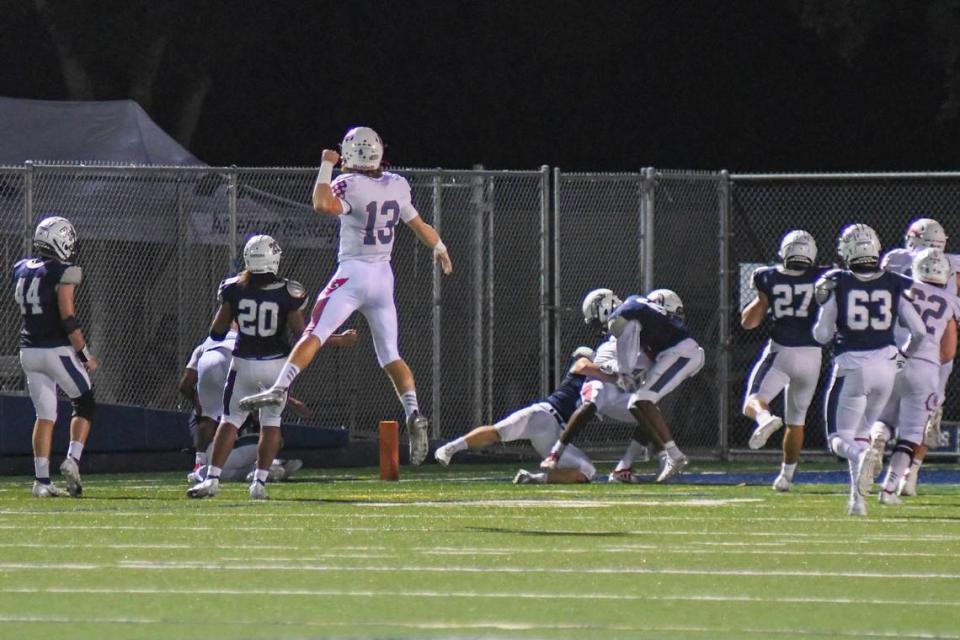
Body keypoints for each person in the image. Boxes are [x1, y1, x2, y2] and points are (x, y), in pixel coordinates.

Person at [239, 127, 453, 466]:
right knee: (390, 355)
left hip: (353, 274)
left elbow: (322, 203)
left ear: (350, 155)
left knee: (314, 333)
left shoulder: (348, 184)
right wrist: (439, 247)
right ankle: (413, 412)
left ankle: (280, 388)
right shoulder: (397, 185)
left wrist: (325, 165)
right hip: (384, 277)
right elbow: (419, 225)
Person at [813, 223, 926, 517]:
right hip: (887, 368)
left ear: (847, 250)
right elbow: (920, 332)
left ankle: (861, 455)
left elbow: (822, 335)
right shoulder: (894, 282)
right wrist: (900, 360)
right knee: (862, 432)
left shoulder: (838, 282)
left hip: (851, 366)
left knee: (839, 438)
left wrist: (824, 307)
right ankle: (857, 502)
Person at [187, 235, 307, 500]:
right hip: (276, 366)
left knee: (230, 421)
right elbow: (302, 334)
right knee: (271, 422)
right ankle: (259, 483)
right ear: (273, 259)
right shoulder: (288, 292)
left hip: (243, 364)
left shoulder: (233, 288)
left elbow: (217, 332)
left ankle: (213, 479)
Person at [542, 288, 703, 483]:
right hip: (666, 358)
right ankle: (641, 463)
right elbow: (624, 364)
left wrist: (614, 370)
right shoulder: (635, 313)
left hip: (677, 354)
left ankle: (670, 456)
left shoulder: (625, 316)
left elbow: (626, 365)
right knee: (641, 404)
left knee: (644, 402)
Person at [13, 216, 98, 498]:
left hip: (28, 350)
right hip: (55, 350)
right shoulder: (63, 272)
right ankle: (72, 459)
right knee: (84, 400)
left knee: (45, 415)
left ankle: (41, 481)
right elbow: (68, 318)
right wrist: (85, 354)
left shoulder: (21, 268)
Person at [869, 248, 959, 505]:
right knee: (911, 434)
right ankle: (888, 489)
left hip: (894, 361)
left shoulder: (898, 286)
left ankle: (879, 436)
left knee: (884, 416)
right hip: (926, 368)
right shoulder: (951, 301)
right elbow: (948, 351)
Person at [740, 230, 827, 491]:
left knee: (752, 401)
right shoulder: (824, 276)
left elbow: (748, 322)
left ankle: (764, 418)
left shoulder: (767, 276)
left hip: (782, 351)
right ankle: (786, 476)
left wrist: (762, 299)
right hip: (813, 356)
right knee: (796, 419)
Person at [434, 347, 598, 484]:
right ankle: (450, 448)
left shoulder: (599, 387)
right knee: (498, 431)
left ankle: (533, 478)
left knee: (587, 471)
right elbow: (584, 365)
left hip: (555, 434)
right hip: (544, 414)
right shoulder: (583, 366)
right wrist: (609, 370)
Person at [179, 327, 237, 482]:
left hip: (208, 360)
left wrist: (198, 404)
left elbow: (184, 385)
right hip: (236, 357)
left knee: (208, 416)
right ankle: (266, 462)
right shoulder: (246, 335)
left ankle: (199, 464)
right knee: (255, 407)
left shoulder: (204, 344)